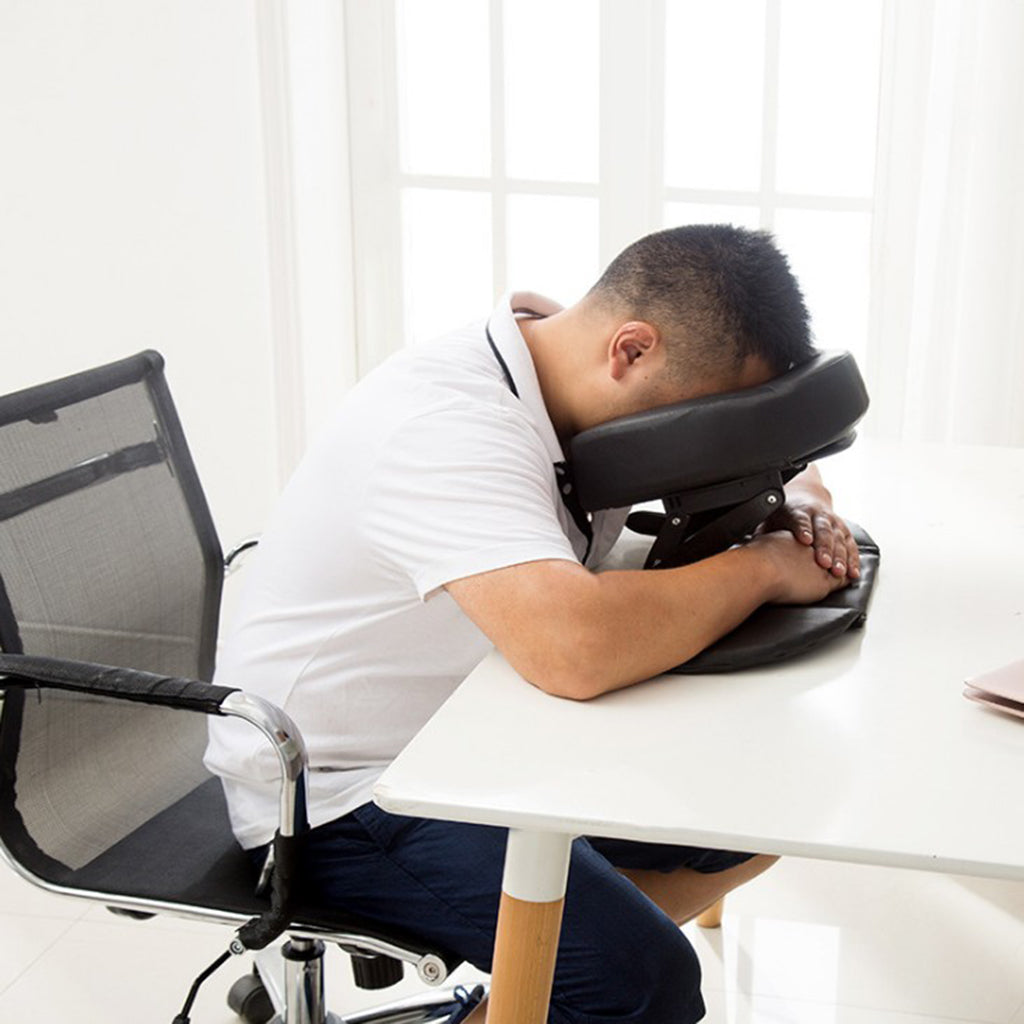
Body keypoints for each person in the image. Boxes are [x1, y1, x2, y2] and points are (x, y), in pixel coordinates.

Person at [205, 225, 859, 1023]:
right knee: (646, 986)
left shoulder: (562, 347)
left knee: (766, 802)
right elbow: (573, 649)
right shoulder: (444, 428)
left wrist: (801, 505)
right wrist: (761, 569)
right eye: (708, 425)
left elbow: (771, 445)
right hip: (344, 796)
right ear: (631, 352)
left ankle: (526, 996)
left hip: (481, 730)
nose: (711, 452)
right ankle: (567, 988)